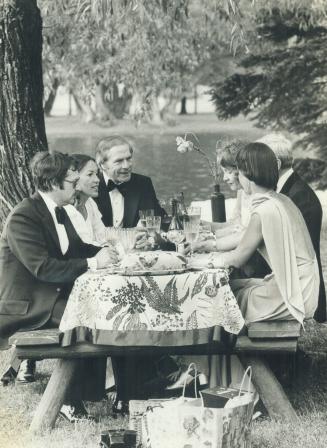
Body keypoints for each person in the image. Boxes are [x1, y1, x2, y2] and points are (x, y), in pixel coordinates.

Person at [0, 151, 118, 421]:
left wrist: (109, 253)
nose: (77, 186)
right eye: (72, 181)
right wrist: (93, 263)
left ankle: (106, 391)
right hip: (27, 307)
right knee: (89, 317)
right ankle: (68, 400)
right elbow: (44, 269)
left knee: (110, 308)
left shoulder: (60, 211)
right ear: (54, 183)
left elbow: (78, 249)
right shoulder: (23, 217)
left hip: (51, 298)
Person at [195, 142, 319, 325]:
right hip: (304, 285)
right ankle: (224, 350)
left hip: (296, 294)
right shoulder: (281, 199)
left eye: (239, 171)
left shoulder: (264, 210)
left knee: (219, 296)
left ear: (248, 174)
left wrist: (194, 261)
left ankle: (217, 350)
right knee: (233, 287)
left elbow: (237, 258)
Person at [256, 133, 326, 322]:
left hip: (300, 290)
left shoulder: (299, 197)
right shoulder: (287, 190)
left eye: (260, 161)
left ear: (276, 164)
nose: (255, 168)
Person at [94, 135, 165, 228]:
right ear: (102, 165)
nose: (126, 166)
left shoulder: (143, 183)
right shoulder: (91, 186)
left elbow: (159, 220)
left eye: (128, 159)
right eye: (119, 161)